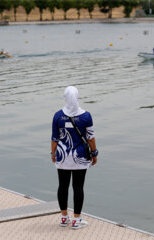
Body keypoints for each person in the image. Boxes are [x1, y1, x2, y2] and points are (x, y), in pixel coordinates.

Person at [51, 86, 98, 230]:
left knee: (62, 186)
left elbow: (54, 138)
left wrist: (53, 154)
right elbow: (90, 137)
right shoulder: (86, 116)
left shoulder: (58, 116)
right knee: (78, 187)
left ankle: (64, 218)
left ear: (65, 97)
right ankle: (76, 220)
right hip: (81, 157)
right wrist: (94, 153)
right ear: (77, 97)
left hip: (63, 156)